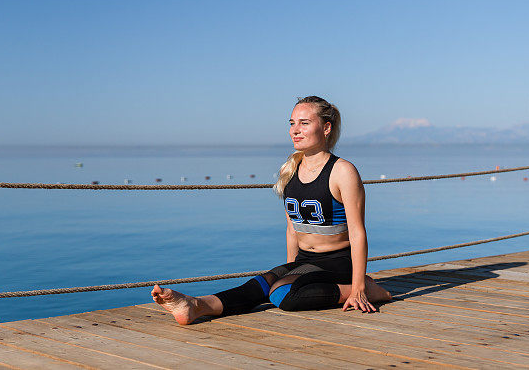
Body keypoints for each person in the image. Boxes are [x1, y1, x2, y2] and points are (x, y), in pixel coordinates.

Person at [151, 95, 391, 324]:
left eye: (304, 123)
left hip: (338, 262)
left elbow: (358, 233)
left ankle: (366, 289)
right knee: (265, 283)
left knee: (281, 295)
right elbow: (291, 229)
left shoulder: (342, 171)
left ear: (326, 128)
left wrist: (357, 285)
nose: (295, 130)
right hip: (306, 260)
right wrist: (289, 271)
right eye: (292, 123)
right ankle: (196, 305)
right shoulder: (290, 171)